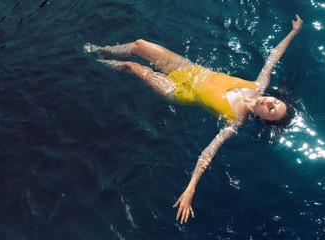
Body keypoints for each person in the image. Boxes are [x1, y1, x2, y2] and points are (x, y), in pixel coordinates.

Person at [84, 14, 303, 224]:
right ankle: (101, 50)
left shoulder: (236, 121)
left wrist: (191, 188)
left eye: (272, 111)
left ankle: (93, 61)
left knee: (132, 67)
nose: (271, 104)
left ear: (265, 120)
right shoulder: (259, 84)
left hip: (178, 92)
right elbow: (274, 56)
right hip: (189, 69)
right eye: (276, 102)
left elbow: (208, 153)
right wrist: (293, 32)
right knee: (139, 45)